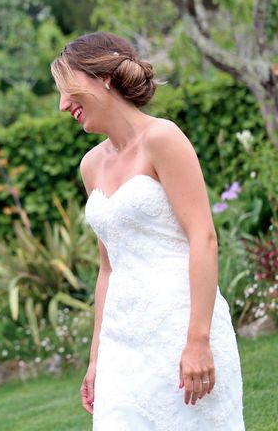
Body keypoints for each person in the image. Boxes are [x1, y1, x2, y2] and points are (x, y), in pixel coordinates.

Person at [51, 32, 244, 429]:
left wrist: (198, 340)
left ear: (103, 77)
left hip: (181, 327)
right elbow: (108, 268)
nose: (62, 104)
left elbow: (203, 238)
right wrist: (96, 359)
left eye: (67, 89)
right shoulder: (91, 166)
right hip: (123, 340)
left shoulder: (163, 138)